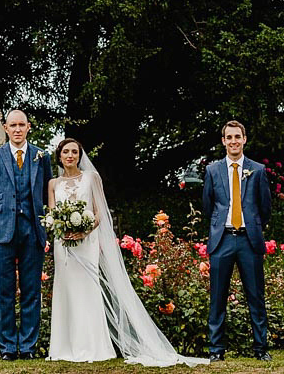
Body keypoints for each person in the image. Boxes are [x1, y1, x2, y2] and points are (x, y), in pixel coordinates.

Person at [47, 138, 207, 367]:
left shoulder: (91, 178)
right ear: (59, 156)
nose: (70, 155)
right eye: (66, 152)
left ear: (80, 156)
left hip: (86, 243)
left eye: (74, 152)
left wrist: (83, 232)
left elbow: (98, 212)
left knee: (88, 290)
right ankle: (63, 347)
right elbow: (52, 213)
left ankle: (94, 346)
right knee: (66, 290)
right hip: (62, 245)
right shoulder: (53, 183)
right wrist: (61, 231)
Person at [0, 109, 50, 360]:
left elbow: (46, 191)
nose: (18, 129)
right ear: (6, 128)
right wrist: (3, 214)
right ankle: (8, 346)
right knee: (5, 291)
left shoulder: (41, 156)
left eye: (22, 125)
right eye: (13, 125)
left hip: (32, 230)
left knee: (32, 290)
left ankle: (28, 347)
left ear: (28, 127)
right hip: (1, 230)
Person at [202, 120, 272, 363]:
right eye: (229, 137)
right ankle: (216, 350)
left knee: (255, 296)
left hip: (248, 241)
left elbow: (265, 208)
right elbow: (208, 206)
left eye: (237, 137)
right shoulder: (212, 170)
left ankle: (261, 348)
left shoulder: (258, 170)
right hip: (222, 240)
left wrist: (252, 227)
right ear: (223, 141)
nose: (233, 141)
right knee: (217, 297)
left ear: (244, 139)